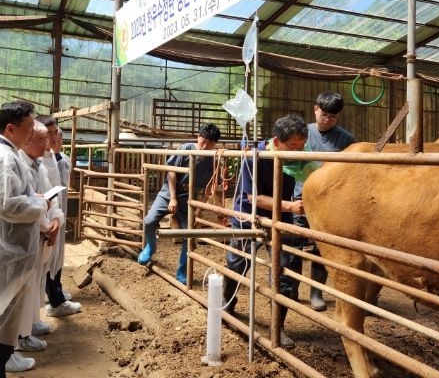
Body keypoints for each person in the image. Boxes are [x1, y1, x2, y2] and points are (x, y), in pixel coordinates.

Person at [222, 114, 317, 349]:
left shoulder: (296, 157)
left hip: (281, 216)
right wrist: (290, 206)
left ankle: (278, 326)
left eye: (301, 145)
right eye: (293, 146)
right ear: (277, 140)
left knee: (284, 268)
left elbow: (313, 176)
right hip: (248, 216)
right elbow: (252, 197)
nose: (298, 150)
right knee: (238, 262)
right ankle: (227, 303)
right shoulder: (254, 158)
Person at [0, 101, 48, 377]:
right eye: (28, 127)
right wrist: (40, 204)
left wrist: (34, 200)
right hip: (4, 256)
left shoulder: (7, 154)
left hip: (6, 254)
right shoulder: (3, 158)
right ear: (11, 127)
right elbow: (8, 205)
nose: (32, 133)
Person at [294, 91, 356, 311]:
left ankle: (315, 292)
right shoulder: (301, 133)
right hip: (300, 197)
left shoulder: (346, 140)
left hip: (329, 201)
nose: (327, 119)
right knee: (293, 242)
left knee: (321, 247)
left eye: (333, 116)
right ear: (315, 109)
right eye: (324, 114)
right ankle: (290, 290)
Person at [137, 123, 221, 284]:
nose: (204, 146)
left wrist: (200, 208)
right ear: (198, 137)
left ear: (214, 144)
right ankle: (150, 246)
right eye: (203, 141)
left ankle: (182, 271)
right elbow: (171, 172)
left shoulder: (213, 159)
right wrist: (173, 197)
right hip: (169, 193)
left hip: (189, 199)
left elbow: (210, 186)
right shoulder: (186, 148)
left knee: (189, 236)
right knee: (149, 221)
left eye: (209, 144)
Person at [16, 122, 64, 351]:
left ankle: (30, 325)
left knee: (35, 283)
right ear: (27, 140)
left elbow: (49, 198)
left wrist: (55, 221)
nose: (47, 143)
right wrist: (47, 226)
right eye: (42, 139)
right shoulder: (19, 166)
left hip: (42, 235)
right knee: (22, 287)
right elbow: (23, 205)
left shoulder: (40, 166)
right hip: (28, 236)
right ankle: (19, 336)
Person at [37, 115, 81, 317]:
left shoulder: (53, 158)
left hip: (55, 215)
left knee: (54, 259)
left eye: (57, 133)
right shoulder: (38, 161)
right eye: (50, 133)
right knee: (46, 260)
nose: (55, 138)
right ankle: (55, 301)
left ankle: (56, 296)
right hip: (44, 219)